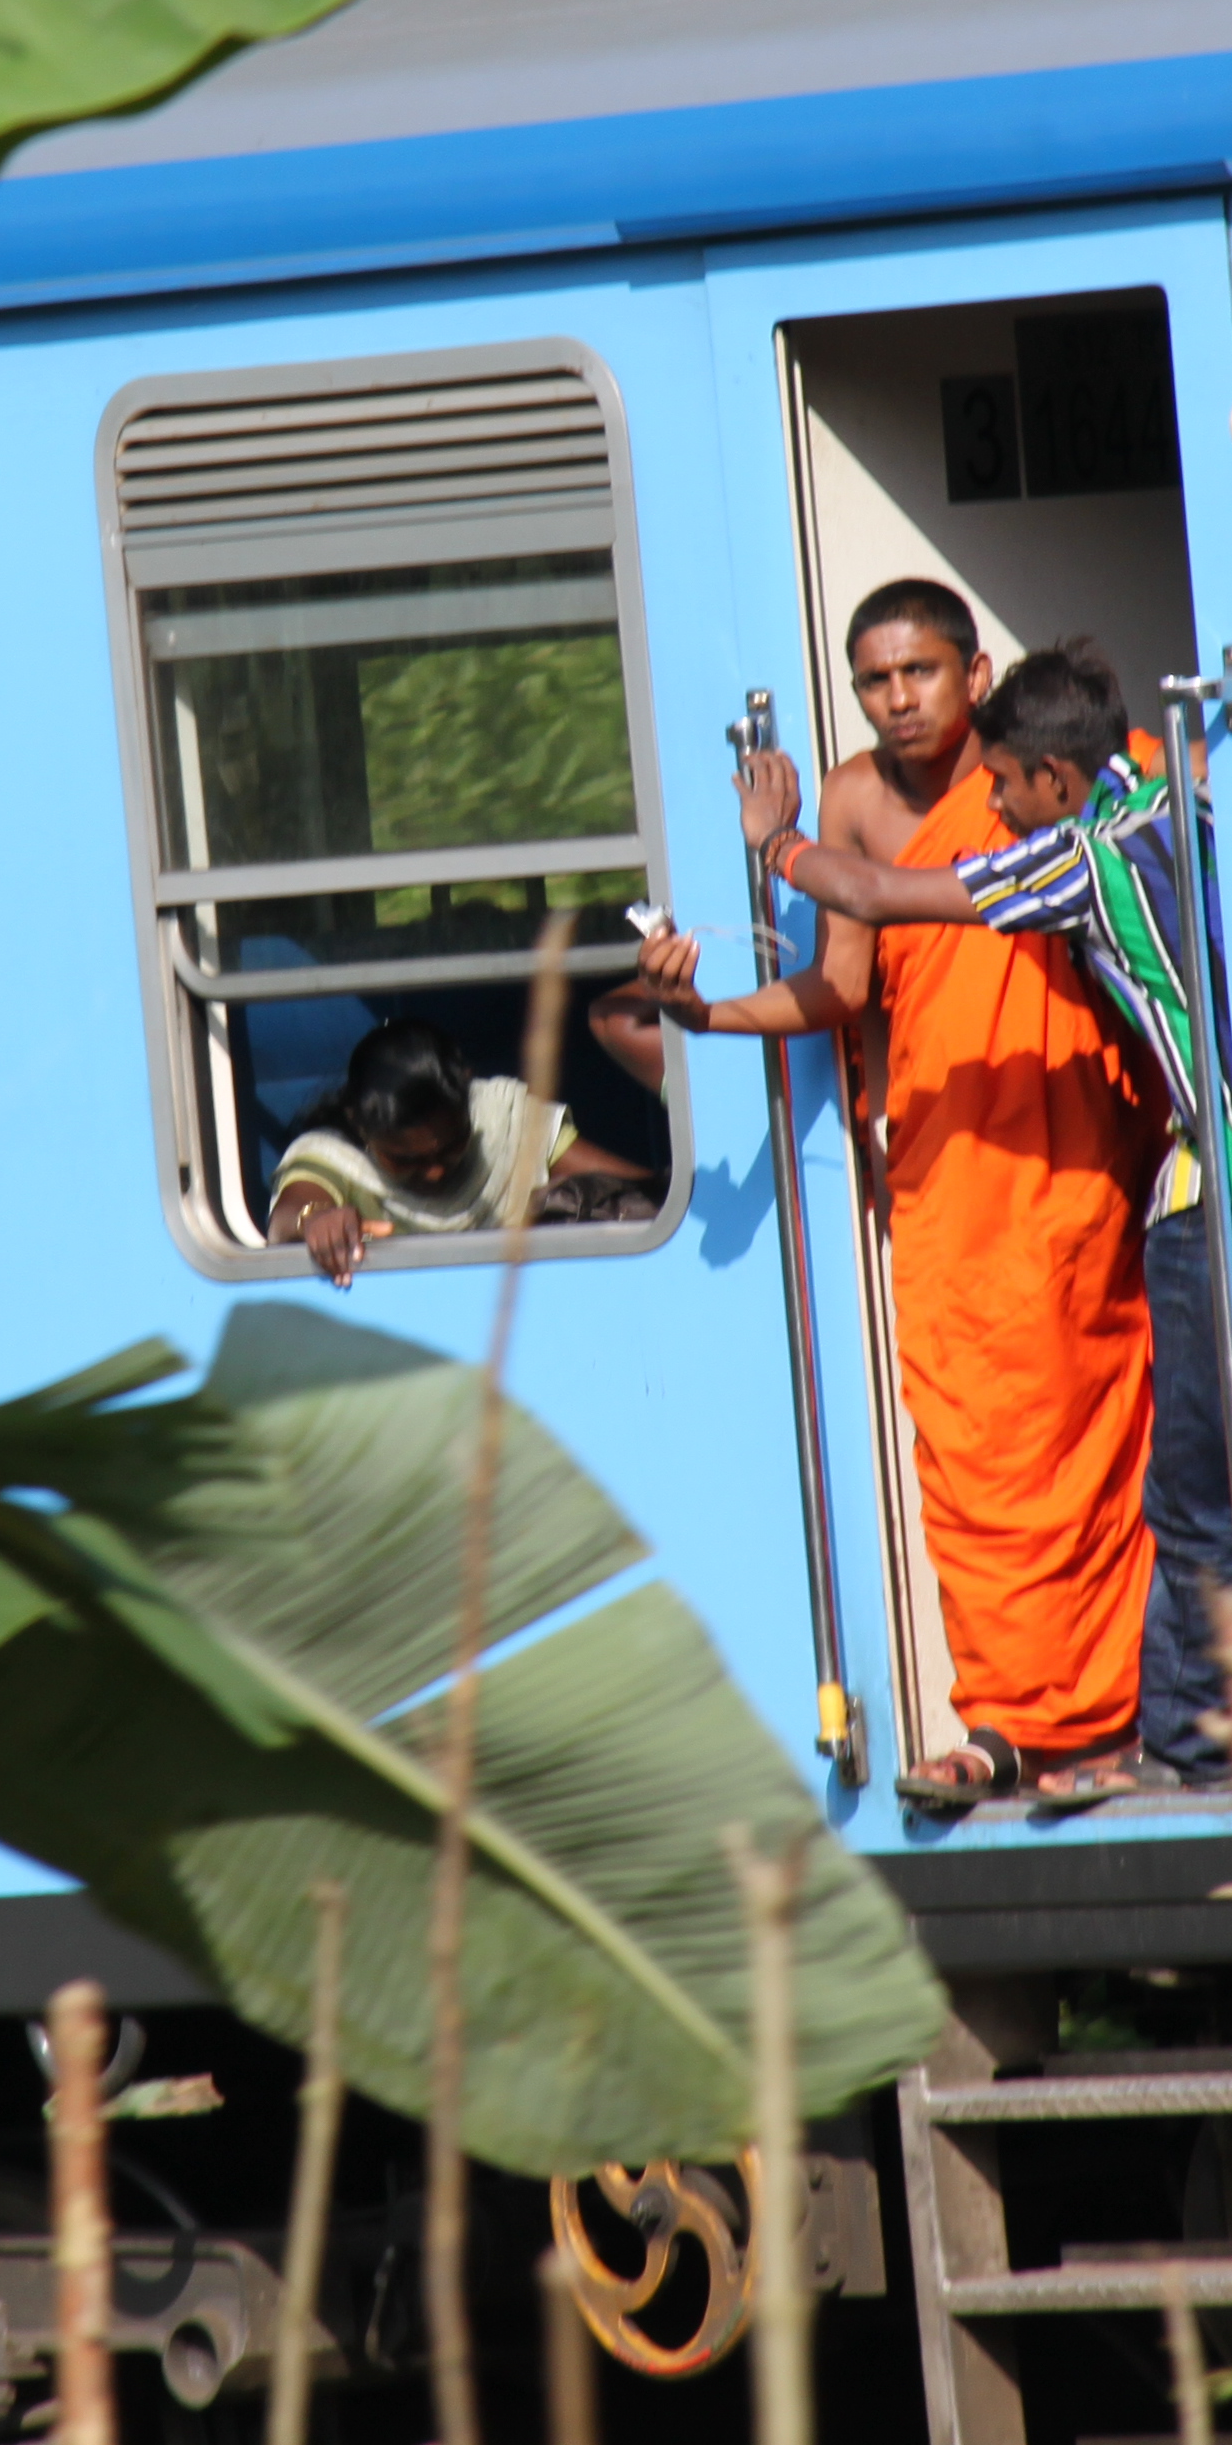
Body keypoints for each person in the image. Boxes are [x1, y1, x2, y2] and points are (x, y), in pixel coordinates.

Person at [629, 581, 1170, 1816]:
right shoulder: (857, 801)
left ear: (974, 677)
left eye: (919, 674)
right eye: (873, 681)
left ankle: (1124, 1715)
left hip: (1076, 1162)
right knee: (975, 1454)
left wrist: (775, 852)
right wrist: (702, 1014)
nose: (897, 701)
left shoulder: (1056, 773)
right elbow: (840, 988)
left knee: (1099, 1437)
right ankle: (1005, 1726)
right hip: (947, 1178)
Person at [267, 1019, 658, 1284]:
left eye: (454, 1148)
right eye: (404, 1161)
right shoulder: (332, 1155)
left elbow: (639, 1190)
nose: (436, 1172)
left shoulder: (506, 1120)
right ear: (359, 1125)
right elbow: (287, 1219)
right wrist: (316, 1221)